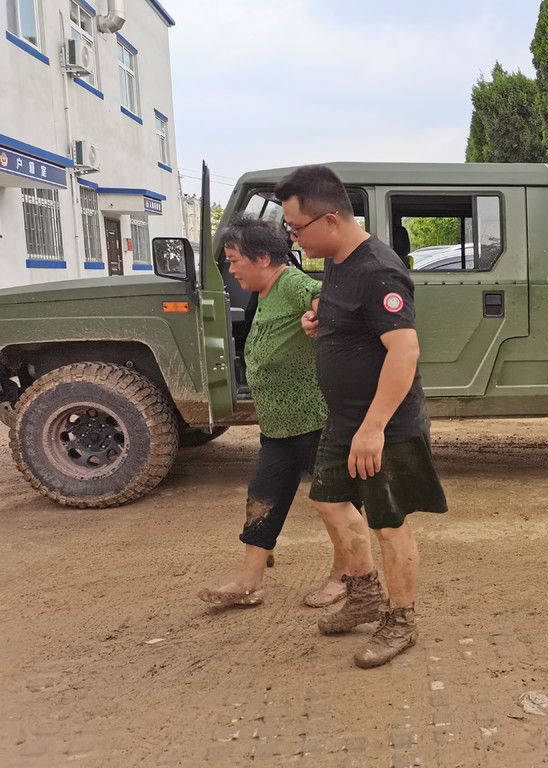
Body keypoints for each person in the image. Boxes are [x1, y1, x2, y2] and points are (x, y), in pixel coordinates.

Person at [276, 165, 447, 669]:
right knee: (327, 500)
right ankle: (366, 593)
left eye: (295, 228)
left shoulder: (378, 270)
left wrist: (373, 428)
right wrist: (320, 321)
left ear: (329, 220)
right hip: (345, 418)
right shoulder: (336, 260)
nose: (292, 238)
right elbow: (355, 323)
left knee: (389, 523)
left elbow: (404, 351)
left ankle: (401, 619)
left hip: (384, 424)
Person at [198, 218, 349, 609]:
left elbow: (324, 295)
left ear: (263, 258)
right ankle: (250, 583)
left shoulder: (291, 283)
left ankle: (346, 576)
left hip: (316, 422)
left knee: (336, 504)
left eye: (234, 261)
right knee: (262, 497)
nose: (231, 270)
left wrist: (318, 318)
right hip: (280, 427)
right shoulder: (265, 292)